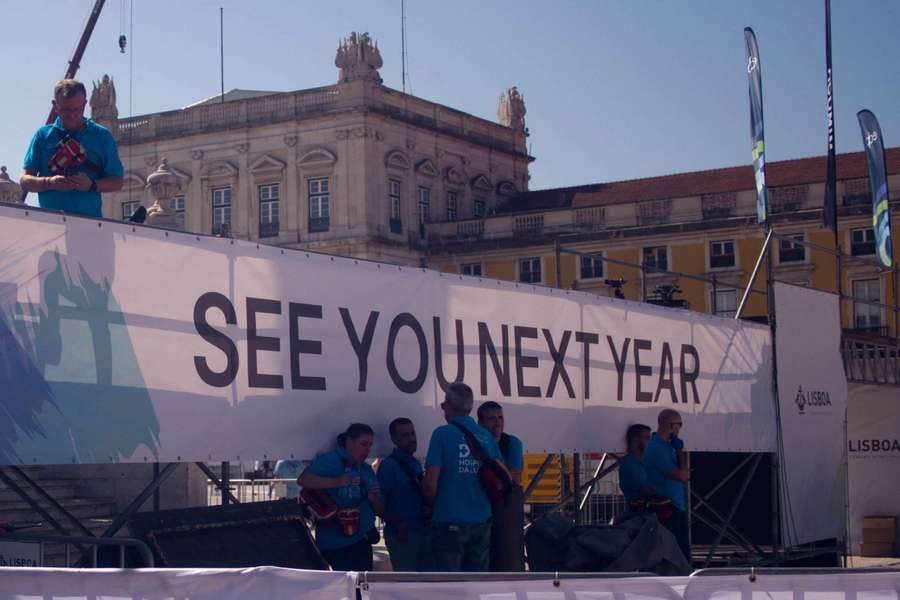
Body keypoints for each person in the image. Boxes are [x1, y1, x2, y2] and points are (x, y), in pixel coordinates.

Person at [423, 382, 502, 572]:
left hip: (449, 518)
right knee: (476, 583)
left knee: (450, 585)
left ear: (448, 404)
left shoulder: (441, 434)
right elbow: (501, 473)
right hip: (481, 519)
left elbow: (431, 482)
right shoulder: (486, 436)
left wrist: (429, 505)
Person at [21, 79, 123, 218]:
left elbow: (117, 182)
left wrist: (91, 185)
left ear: (85, 104)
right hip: (50, 224)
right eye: (66, 109)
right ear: (55, 106)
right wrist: (49, 183)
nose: (72, 115)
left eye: (77, 109)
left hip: (90, 225)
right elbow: (25, 181)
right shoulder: (43, 136)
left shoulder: (102, 136)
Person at [298, 423, 383, 571]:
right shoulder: (331, 460)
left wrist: (374, 499)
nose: (367, 450)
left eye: (370, 445)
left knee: (362, 588)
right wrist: (336, 482)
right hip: (335, 542)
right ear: (349, 442)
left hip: (363, 538)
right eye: (363, 444)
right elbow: (303, 480)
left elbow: (379, 508)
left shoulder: (366, 469)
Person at [377, 417, 427, 571]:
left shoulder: (415, 463)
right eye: (405, 435)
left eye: (412, 433)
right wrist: (396, 524)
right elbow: (379, 502)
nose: (411, 439)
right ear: (394, 439)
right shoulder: (388, 466)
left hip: (422, 531)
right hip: (402, 535)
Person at [643, 409, 690, 562]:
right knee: (676, 553)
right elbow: (682, 475)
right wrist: (679, 450)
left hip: (674, 503)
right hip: (667, 506)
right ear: (671, 426)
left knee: (680, 551)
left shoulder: (666, 446)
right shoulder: (657, 448)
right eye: (679, 424)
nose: (680, 428)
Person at [476, 401, 523, 485]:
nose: (498, 423)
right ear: (480, 423)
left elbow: (516, 479)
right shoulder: (472, 442)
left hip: (502, 497)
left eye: (500, 417)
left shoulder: (512, 442)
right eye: (492, 418)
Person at [619, 423, 652, 505]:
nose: (651, 442)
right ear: (635, 439)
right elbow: (646, 491)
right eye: (647, 438)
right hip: (640, 513)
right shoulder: (629, 463)